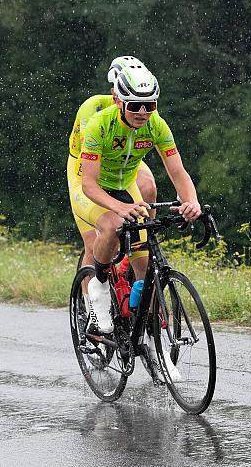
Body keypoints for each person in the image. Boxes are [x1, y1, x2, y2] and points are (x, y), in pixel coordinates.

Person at [72, 59, 201, 337]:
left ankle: (146, 312)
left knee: (144, 229)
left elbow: (178, 172)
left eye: (150, 106)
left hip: (123, 175)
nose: (143, 112)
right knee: (110, 226)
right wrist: (120, 207)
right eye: (135, 106)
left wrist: (191, 200)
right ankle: (99, 287)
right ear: (119, 101)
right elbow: (89, 185)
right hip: (88, 178)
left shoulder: (156, 125)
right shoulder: (97, 121)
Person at [67, 55, 158, 271]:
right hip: (90, 163)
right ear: (114, 90)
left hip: (123, 160)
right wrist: (116, 207)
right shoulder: (94, 108)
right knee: (94, 244)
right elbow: (94, 160)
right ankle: (92, 298)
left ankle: (144, 242)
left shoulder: (139, 108)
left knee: (149, 185)